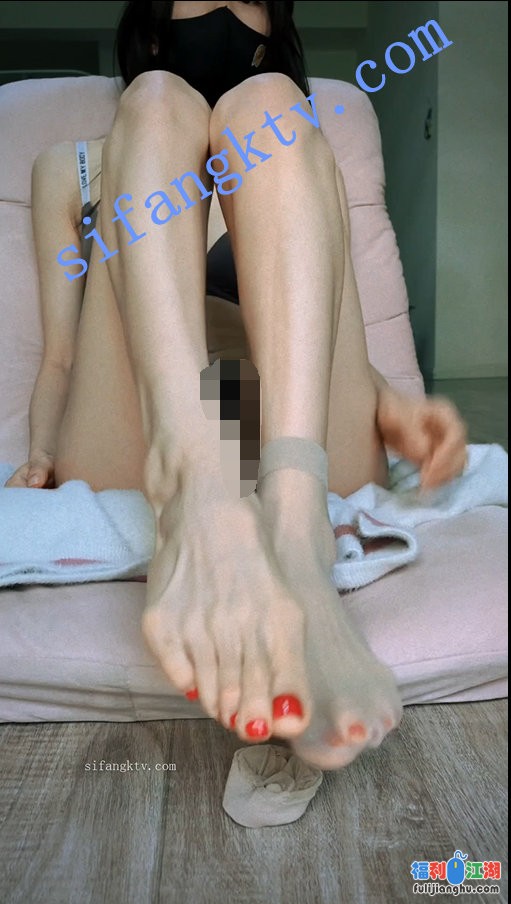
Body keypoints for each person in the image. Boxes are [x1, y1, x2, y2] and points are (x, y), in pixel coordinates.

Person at [5, 0, 466, 769]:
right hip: (143, 423)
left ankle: (296, 533)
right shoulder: (69, 167)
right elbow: (59, 358)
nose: (221, 7)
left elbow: (323, 325)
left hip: (296, 428)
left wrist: (395, 408)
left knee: (273, 110)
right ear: (152, 21)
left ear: (272, 30)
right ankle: (192, 480)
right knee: (155, 104)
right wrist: (42, 452)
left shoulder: (292, 144)